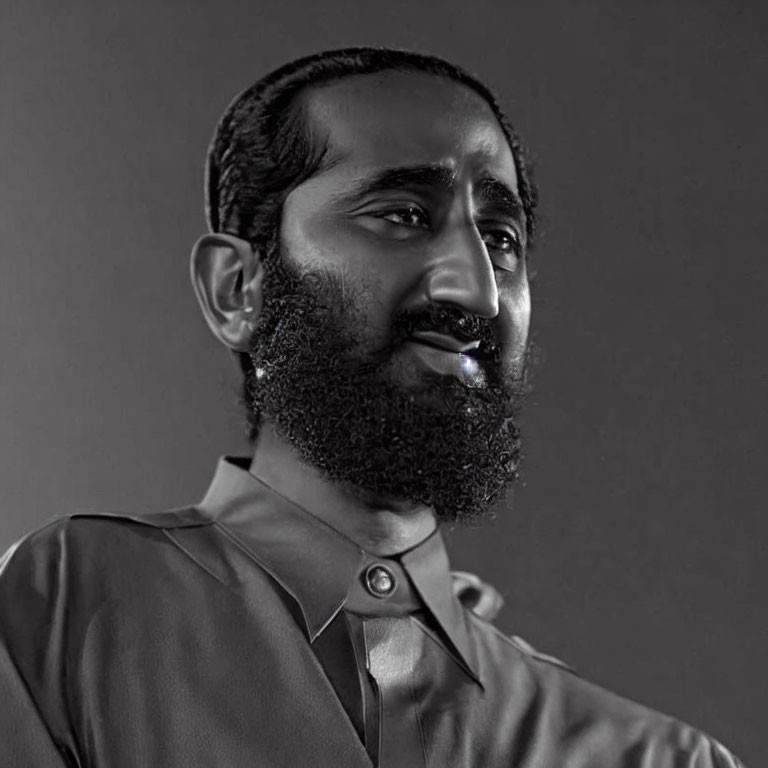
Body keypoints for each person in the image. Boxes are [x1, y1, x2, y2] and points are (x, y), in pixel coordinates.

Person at [0, 47, 745, 768]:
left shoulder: (654, 758)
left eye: (501, 238)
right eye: (402, 214)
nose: (475, 291)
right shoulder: (69, 611)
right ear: (237, 289)